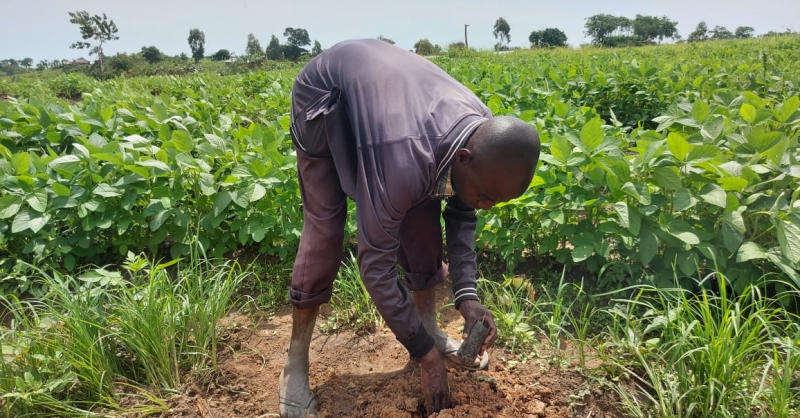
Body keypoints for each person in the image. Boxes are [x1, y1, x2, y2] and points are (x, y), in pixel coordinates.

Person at [279, 38, 540, 417]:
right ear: (464, 160)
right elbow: (375, 268)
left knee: (422, 216)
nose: (485, 206)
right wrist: (426, 358)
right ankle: (295, 364)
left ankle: (427, 326)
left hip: (394, 113)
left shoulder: (483, 138)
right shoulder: (406, 157)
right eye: (485, 196)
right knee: (325, 228)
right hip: (325, 99)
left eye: (494, 202)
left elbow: (463, 212)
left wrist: (467, 298)